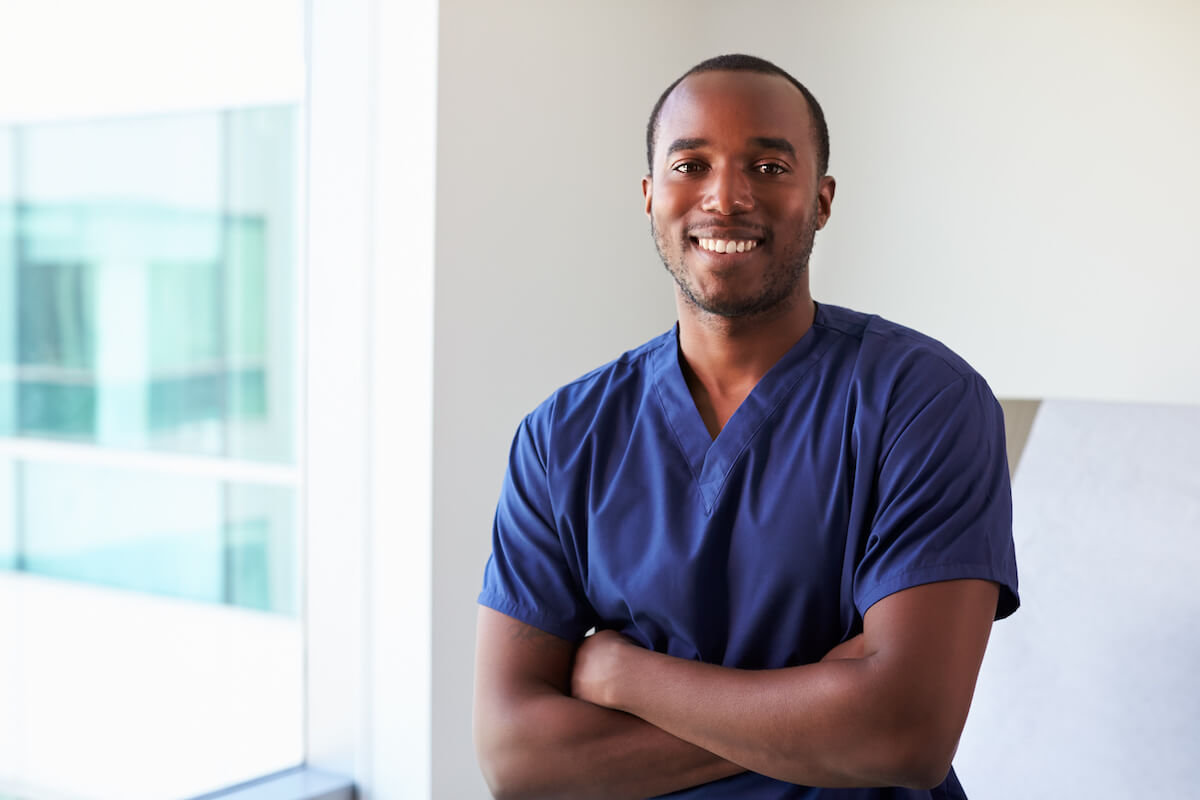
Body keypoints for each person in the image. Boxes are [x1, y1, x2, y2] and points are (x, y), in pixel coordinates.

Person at [473, 53, 1019, 800]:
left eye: (767, 167)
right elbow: (516, 759)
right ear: (648, 195)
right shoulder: (562, 437)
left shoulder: (924, 402)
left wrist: (626, 675)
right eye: (690, 164)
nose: (725, 198)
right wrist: (822, 702)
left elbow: (903, 735)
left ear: (822, 201)